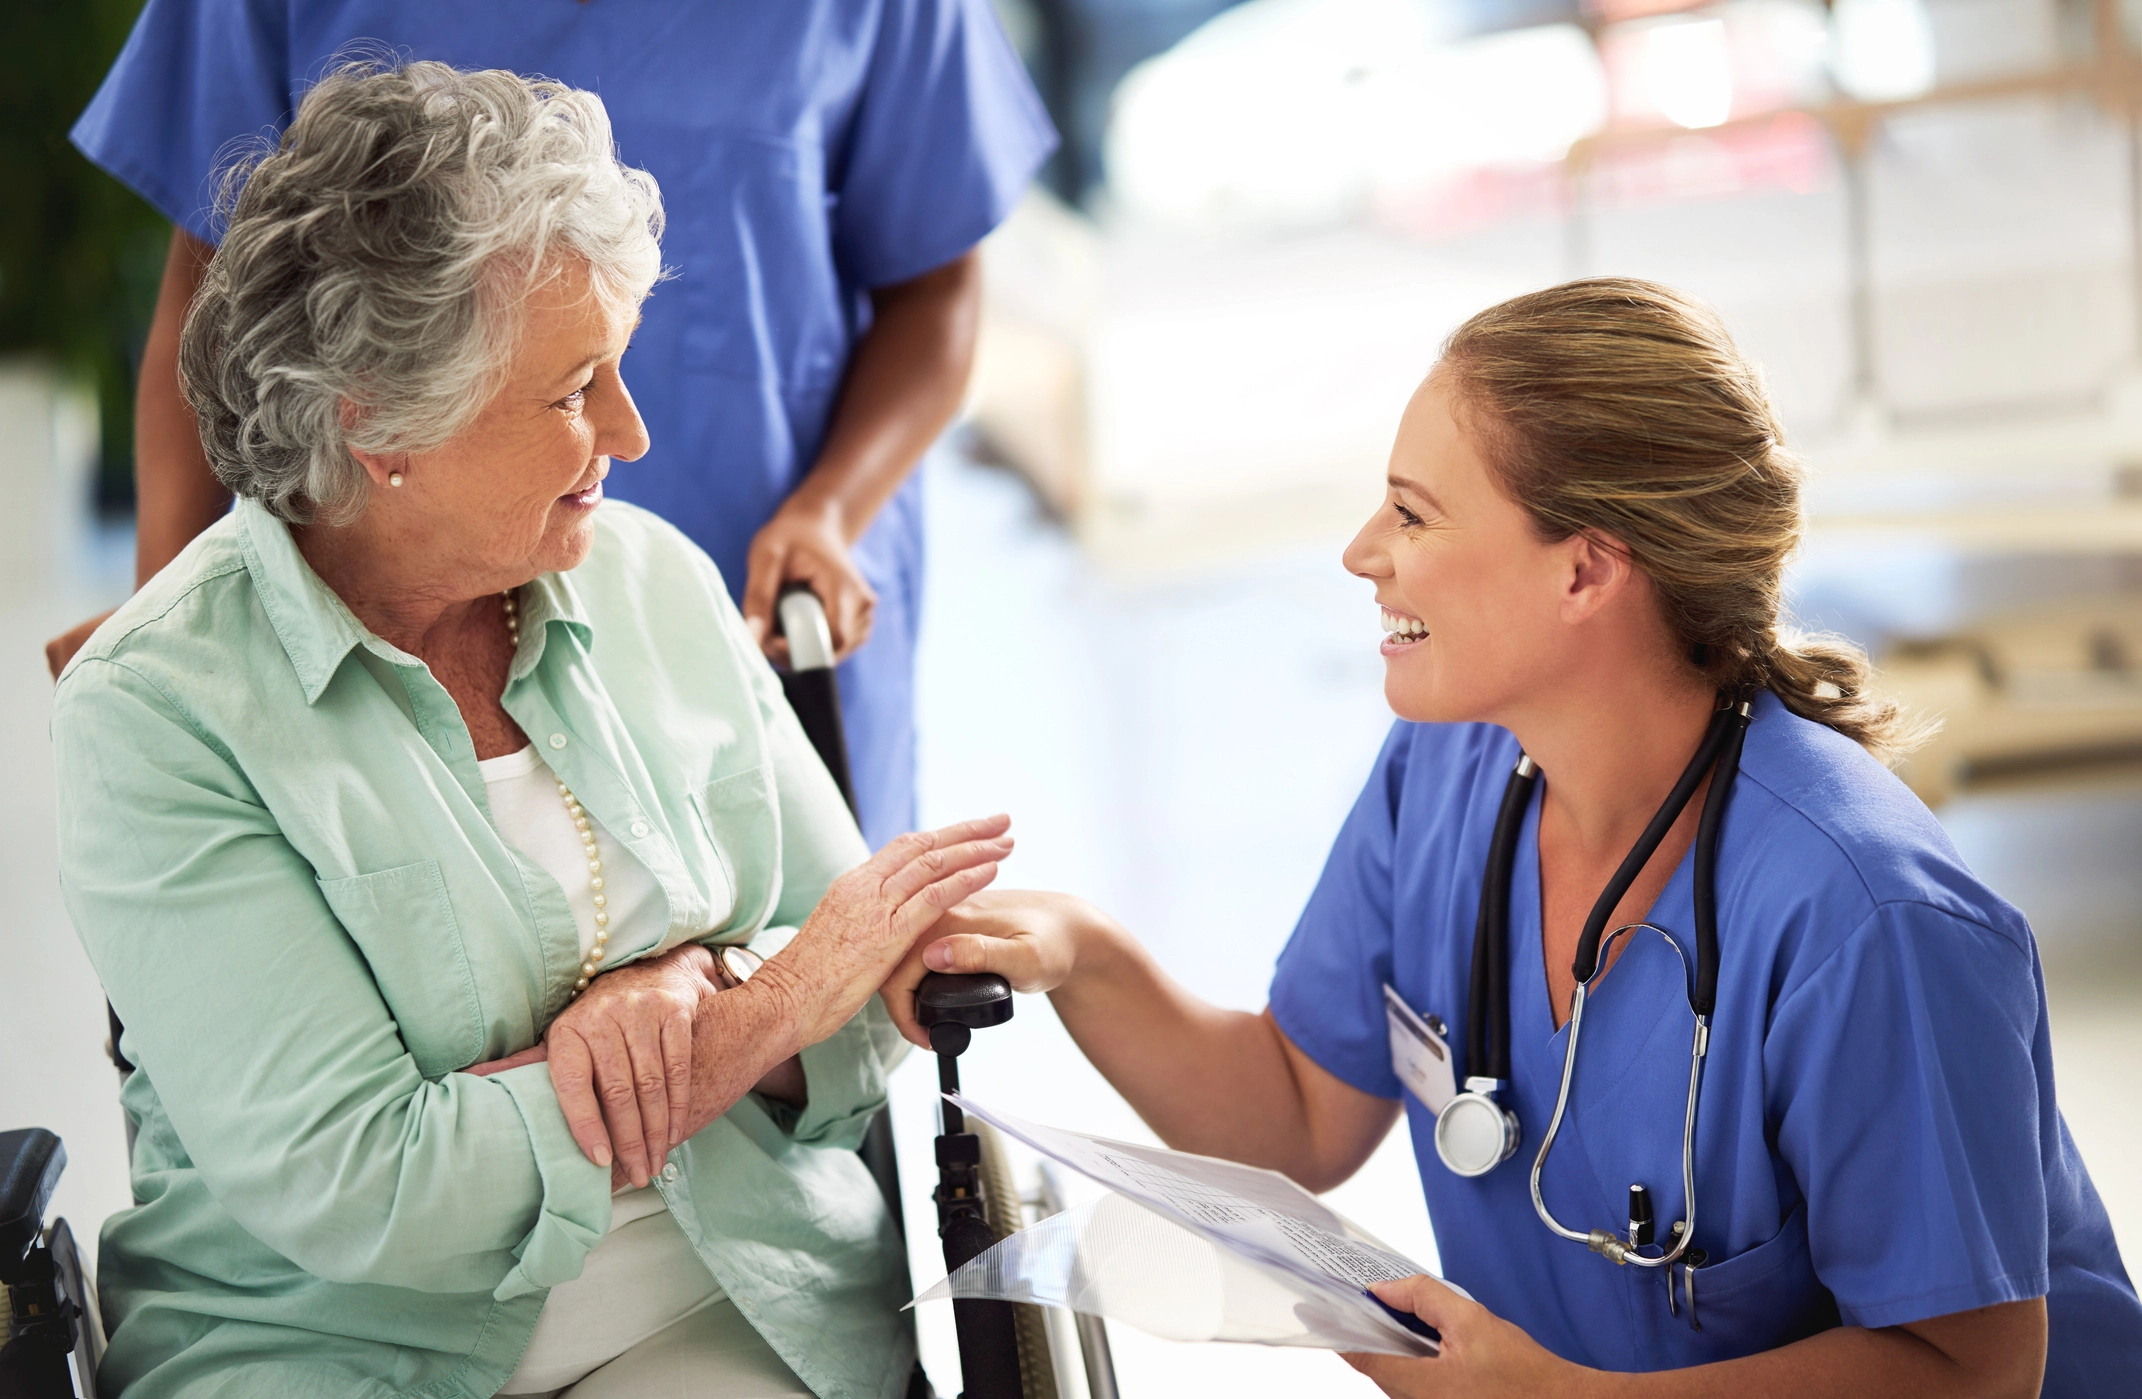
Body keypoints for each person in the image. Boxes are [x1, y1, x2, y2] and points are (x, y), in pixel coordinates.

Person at [882, 280, 2142, 1394]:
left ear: (1585, 571)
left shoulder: (1867, 918)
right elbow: (1296, 1114)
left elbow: (1974, 1368)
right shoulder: (1450, 771)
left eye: (1413, 515)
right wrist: (1084, 952)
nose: (1361, 553)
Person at [53, 63, 1012, 1399]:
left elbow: (874, 998)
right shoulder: (157, 708)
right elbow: (371, 1187)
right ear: (379, 423)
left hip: (730, 1299)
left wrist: (688, 988)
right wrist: (757, 1012)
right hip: (335, 1351)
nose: (632, 430)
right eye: (573, 391)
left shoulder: (654, 580)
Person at [53, 0, 1057, 849]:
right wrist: (170, 638)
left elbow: (936, 291)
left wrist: (831, 510)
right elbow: (217, 300)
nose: (626, 433)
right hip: (388, 636)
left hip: (766, 612)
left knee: (819, 966)